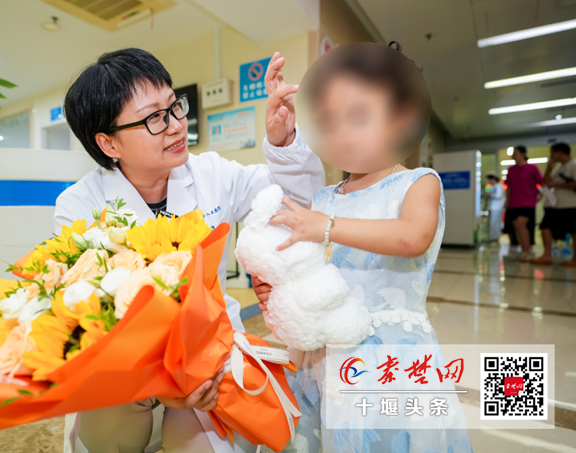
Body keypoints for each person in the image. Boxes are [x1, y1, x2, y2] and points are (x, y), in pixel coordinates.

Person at [54, 48, 325, 453]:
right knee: (110, 438)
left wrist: (283, 141)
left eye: (174, 106)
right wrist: (159, 384)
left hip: (210, 354)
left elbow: (294, 205)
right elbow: (84, 324)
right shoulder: (79, 207)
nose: (176, 125)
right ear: (108, 142)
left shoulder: (211, 173)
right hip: (125, 367)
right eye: (153, 118)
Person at [254, 42, 471, 453]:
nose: (342, 132)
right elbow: (308, 267)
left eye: (358, 116)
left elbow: (412, 237)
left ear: (401, 119)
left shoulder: (418, 182)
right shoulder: (324, 198)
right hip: (323, 354)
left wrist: (326, 227)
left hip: (390, 354)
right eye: (330, 120)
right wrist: (276, 288)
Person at [531, 142, 576, 266]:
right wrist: (549, 166)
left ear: (560, 153)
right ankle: (547, 255)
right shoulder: (558, 167)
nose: (551, 156)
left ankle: (575, 258)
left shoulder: (574, 164)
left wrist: (557, 185)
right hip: (555, 204)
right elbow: (546, 182)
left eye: (552, 153)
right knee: (545, 226)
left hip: (571, 204)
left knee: (573, 230)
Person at [504, 145, 543, 260]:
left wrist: (541, 195)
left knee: (521, 224)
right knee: (517, 226)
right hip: (514, 203)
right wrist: (507, 200)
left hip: (528, 201)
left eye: (515, 154)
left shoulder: (532, 168)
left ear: (523, 154)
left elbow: (540, 183)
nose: (513, 156)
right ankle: (524, 249)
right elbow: (509, 187)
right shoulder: (511, 170)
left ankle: (526, 250)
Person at [485, 173, 505, 241]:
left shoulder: (499, 186)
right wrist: (488, 187)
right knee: (491, 224)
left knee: (495, 224)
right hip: (492, 208)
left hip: (497, 208)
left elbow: (498, 196)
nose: (488, 182)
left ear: (493, 179)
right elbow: (487, 192)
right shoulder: (493, 187)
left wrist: (490, 194)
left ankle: (495, 238)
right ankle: (492, 238)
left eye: (489, 180)